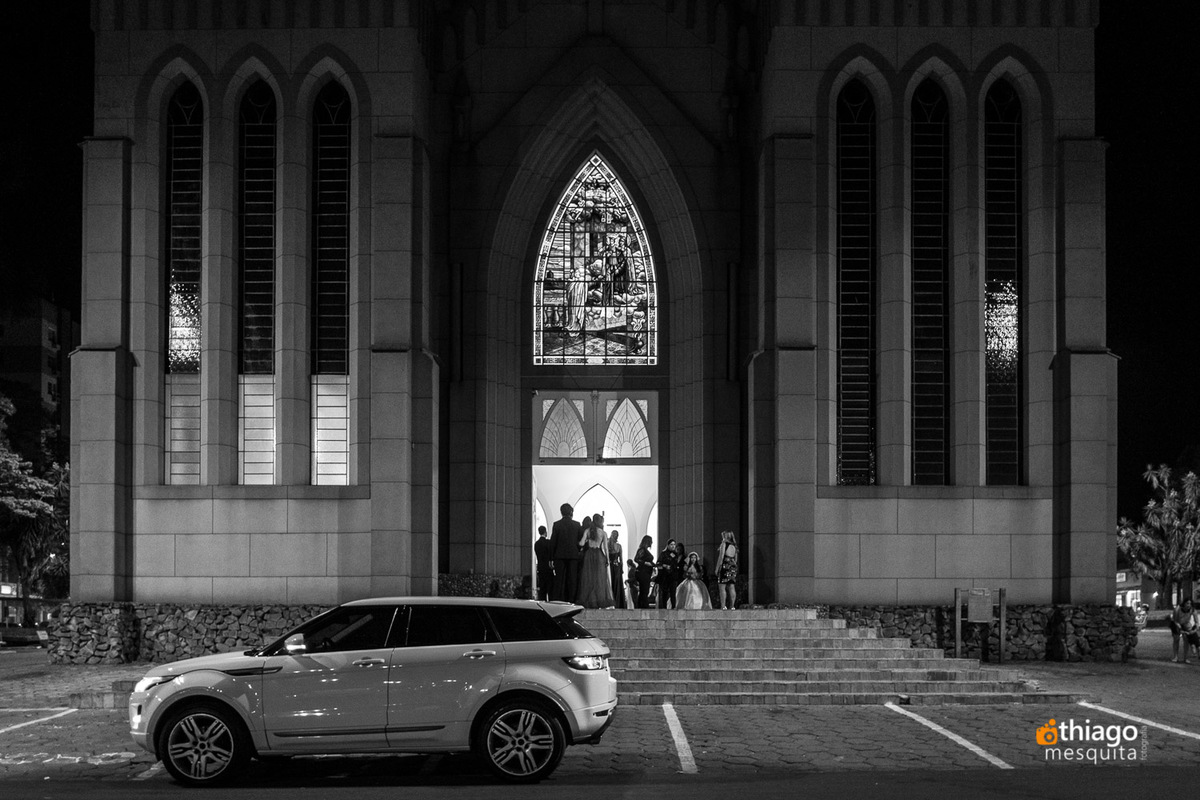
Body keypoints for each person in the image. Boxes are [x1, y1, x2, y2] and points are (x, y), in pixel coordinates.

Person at [576, 513, 615, 608]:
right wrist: (607, 560)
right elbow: (605, 549)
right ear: (600, 522)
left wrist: (583, 541)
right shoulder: (603, 533)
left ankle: (589, 600)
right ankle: (599, 600)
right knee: (599, 579)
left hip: (588, 555)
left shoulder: (587, 531)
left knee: (588, 578)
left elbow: (581, 543)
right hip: (599, 556)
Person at [550, 503, 583, 603]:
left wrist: (551, 558)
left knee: (559, 579)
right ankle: (571, 599)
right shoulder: (577, 525)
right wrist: (576, 549)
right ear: (571, 512)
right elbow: (580, 541)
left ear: (561, 512)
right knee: (572, 579)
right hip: (573, 555)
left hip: (559, 555)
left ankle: (559, 599)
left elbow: (553, 542)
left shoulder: (557, 524)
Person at [1169, 598, 1200, 663]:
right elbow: (1175, 621)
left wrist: (1194, 630)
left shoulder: (1193, 610)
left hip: (1186, 623)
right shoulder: (1177, 609)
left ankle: (1185, 658)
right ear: (1184, 603)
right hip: (1176, 623)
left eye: (1190, 604)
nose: (1189, 605)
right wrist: (1180, 630)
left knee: (1186, 640)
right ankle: (1175, 657)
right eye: (1187, 603)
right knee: (1176, 639)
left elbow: (1197, 622)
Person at [714, 529, 738, 610]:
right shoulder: (734, 546)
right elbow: (736, 559)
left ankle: (723, 606)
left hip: (725, 565)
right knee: (731, 586)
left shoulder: (724, 544)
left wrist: (717, 568)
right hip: (732, 566)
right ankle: (732, 606)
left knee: (722, 587)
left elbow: (721, 557)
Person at [656, 539, 682, 609]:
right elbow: (658, 563)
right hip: (665, 576)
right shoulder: (663, 554)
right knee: (665, 592)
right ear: (668, 545)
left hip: (673, 575)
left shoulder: (676, 554)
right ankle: (664, 607)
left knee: (673, 592)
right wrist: (665, 566)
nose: (673, 546)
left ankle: (673, 607)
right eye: (671, 544)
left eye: (674, 544)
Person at [634, 536, 656, 609]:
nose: (651, 543)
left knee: (644, 590)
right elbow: (636, 559)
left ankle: (641, 606)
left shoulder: (645, 550)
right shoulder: (642, 550)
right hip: (643, 573)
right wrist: (645, 563)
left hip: (646, 572)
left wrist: (653, 564)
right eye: (650, 541)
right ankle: (643, 606)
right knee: (644, 590)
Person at [534, 525, 554, 602]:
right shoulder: (548, 543)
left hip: (540, 567)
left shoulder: (536, 544)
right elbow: (551, 554)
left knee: (542, 588)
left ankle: (542, 602)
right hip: (548, 568)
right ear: (545, 532)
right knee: (550, 587)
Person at [608, 529, 626, 608]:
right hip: (615, 567)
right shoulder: (618, 546)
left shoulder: (608, 545)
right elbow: (621, 560)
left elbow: (621, 559)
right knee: (615, 585)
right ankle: (616, 602)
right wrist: (621, 569)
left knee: (612, 584)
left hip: (611, 567)